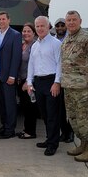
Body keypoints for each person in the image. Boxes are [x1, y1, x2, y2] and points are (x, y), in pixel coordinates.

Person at [61, 10, 88, 162]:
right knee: (73, 118)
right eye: (69, 20)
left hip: (83, 88)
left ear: (80, 21)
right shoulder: (68, 39)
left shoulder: (87, 38)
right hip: (69, 86)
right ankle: (83, 144)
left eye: (74, 20)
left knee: (84, 118)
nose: (71, 22)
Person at [27, 16, 61, 156]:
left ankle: (53, 144)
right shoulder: (35, 45)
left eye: (43, 26)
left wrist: (57, 82)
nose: (40, 28)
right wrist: (29, 82)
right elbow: (31, 64)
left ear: (48, 27)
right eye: (38, 26)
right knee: (44, 114)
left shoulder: (55, 43)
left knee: (53, 114)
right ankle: (49, 139)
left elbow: (60, 63)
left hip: (51, 81)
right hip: (38, 82)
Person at [0, 11, 22, 139]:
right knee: (1, 103)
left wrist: (12, 75)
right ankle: (4, 125)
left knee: (9, 103)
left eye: (3, 19)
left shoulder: (15, 35)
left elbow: (16, 57)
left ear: (9, 20)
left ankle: (10, 129)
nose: (1, 21)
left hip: (8, 76)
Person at [17, 22, 39, 139]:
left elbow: (36, 65)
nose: (26, 33)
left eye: (28, 31)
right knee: (25, 106)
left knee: (30, 106)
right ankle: (27, 129)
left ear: (34, 33)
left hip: (29, 81)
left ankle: (30, 132)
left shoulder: (35, 46)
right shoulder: (22, 45)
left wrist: (28, 82)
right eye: (24, 31)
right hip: (21, 80)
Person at [54, 18, 74, 143]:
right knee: (60, 109)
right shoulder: (53, 39)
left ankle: (71, 133)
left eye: (62, 25)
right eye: (58, 26)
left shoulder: (71, 39)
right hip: (58, 78)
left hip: (70, 78)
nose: (60, 28)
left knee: (70, 109)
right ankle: (64, 132)